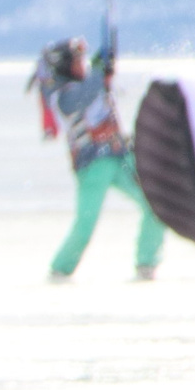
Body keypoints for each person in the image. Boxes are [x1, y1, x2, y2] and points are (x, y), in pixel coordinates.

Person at [27, 27, 162, 281]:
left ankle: (147, 264)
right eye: (78, 60)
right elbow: (82, 96)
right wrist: (102, 71)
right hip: (93, 166)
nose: (83, 64)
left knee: (155, 204)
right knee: (86, 224)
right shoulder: (62, 95)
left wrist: (103, 68)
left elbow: (95, 83)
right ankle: (60, 270)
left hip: (120, 156)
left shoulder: (92, 80)